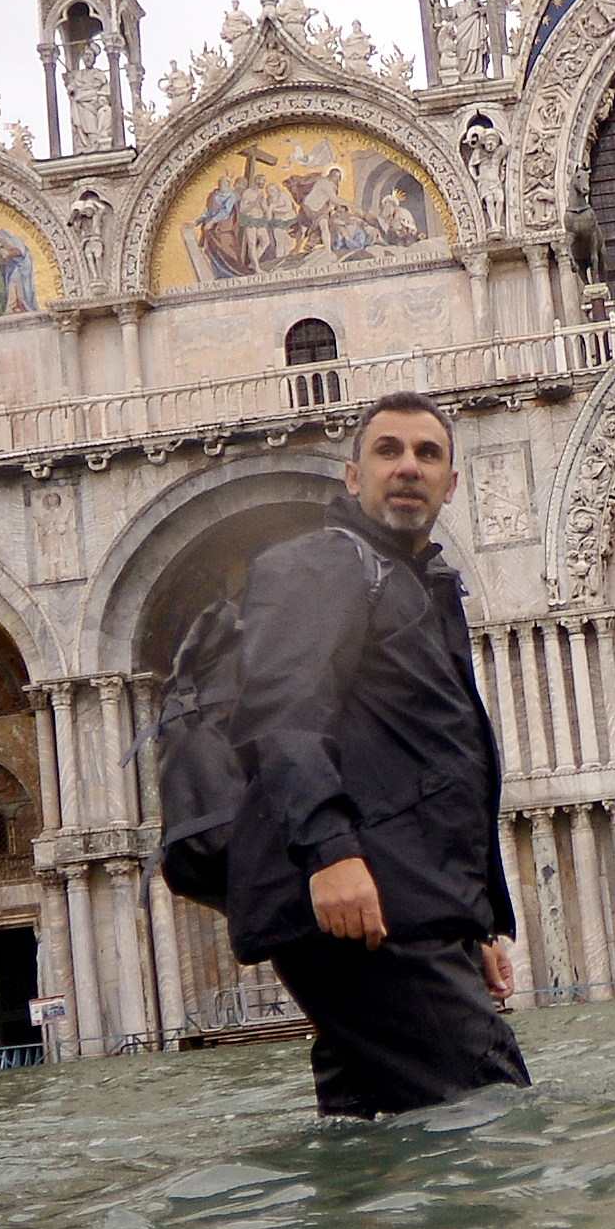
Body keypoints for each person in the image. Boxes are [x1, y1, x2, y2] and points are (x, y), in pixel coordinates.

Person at [220, 396, 525, 1118]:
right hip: (368, 905)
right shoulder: (325, 563)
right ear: (353, 476)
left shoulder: (420, 583)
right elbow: (285, 711)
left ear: (451, 484)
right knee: (490, 1116)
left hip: (407, 907)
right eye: (388, 451)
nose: (408, 468)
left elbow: (441, 758)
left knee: (373, 1139)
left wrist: (474, 920)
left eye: (427, 454)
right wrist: (329, 851)